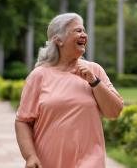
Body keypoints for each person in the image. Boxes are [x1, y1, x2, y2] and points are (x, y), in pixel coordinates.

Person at [15, 13, 123, 168]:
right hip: (48, 162)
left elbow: (114, 112)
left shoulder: (95, 70)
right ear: (58, 40)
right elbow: (23, 120)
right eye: (78, 31)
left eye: (84, 31)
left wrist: (94, 81)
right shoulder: (39, 75)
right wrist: (30, 156)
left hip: (90, 161)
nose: (84, 35)